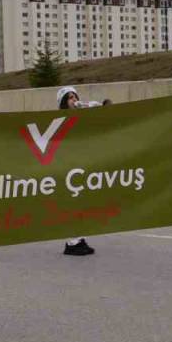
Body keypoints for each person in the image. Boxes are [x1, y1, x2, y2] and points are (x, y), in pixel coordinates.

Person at [56, 86, 99, 256]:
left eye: (75, 96)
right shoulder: (59, 120)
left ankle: (80, 239)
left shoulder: (80, 117)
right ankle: (71, 242)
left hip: (80, 167)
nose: (74, 100)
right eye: (70, 98)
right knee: (72, 205)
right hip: (67, 168)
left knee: (82, 204)